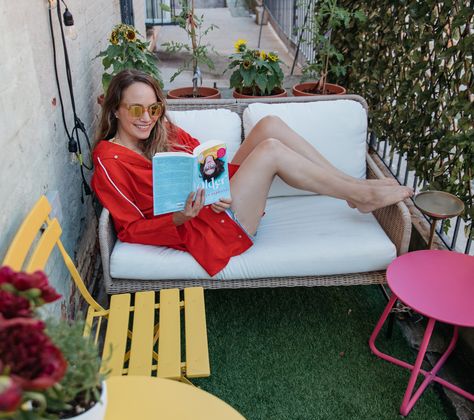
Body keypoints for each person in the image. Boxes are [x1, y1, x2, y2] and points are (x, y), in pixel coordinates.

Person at [92, 69, 413, 277]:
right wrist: (179, 218)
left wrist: (218, 186)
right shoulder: (109, 160)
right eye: (136, 109)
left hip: (222, 203)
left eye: (154, 108)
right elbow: (130, 229)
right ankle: (360, 194)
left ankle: (355, 186)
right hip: (205, 228)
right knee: (271, 149)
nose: (147, 117)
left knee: (268, 126)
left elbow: (205, 158)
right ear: (116, 110)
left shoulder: (160, 128)